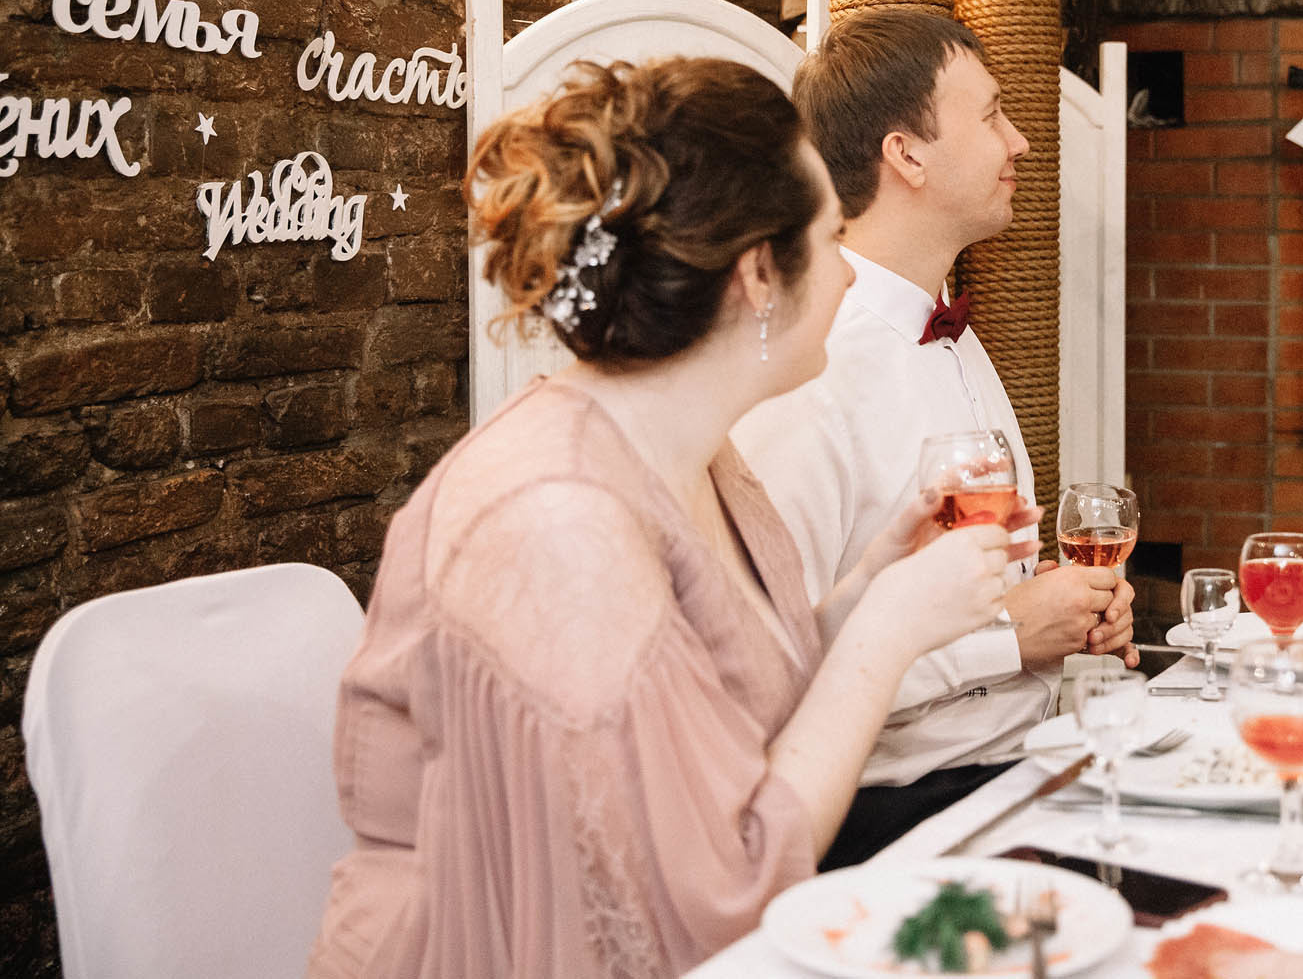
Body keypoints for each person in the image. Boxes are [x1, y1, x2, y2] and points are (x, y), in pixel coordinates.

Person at [308, 57, 1037, 978]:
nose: (854, 280)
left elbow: (729, 694)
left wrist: (868, 589)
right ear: (759, 276)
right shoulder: (556, 524)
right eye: (829, 238)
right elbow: (713, 902)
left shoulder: (701, 455)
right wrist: (887, 636)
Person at [733, 8, 1138, 869]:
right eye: (991, 114)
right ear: (905, 155)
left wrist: (1067, 612)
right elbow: (771, 677)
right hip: (895, 821)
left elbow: (988, 591)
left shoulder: (947, 328)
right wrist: (1009, 639)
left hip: (1018, 776)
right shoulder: (814, 371)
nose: (1020, 141)